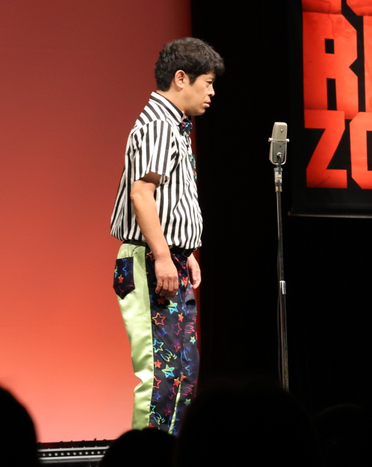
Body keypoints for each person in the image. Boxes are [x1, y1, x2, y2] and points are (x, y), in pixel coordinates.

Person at [110, 37, 224, 435]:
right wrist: (161, 254)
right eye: (207, 83)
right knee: (160, 377)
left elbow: (169, 200)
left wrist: (183, 251)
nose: (211, 92)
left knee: (181, 376)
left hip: (167, 258)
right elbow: (142, 193)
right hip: (149, 260)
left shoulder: (176, 126)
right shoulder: (159, 124)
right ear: (181, 79)